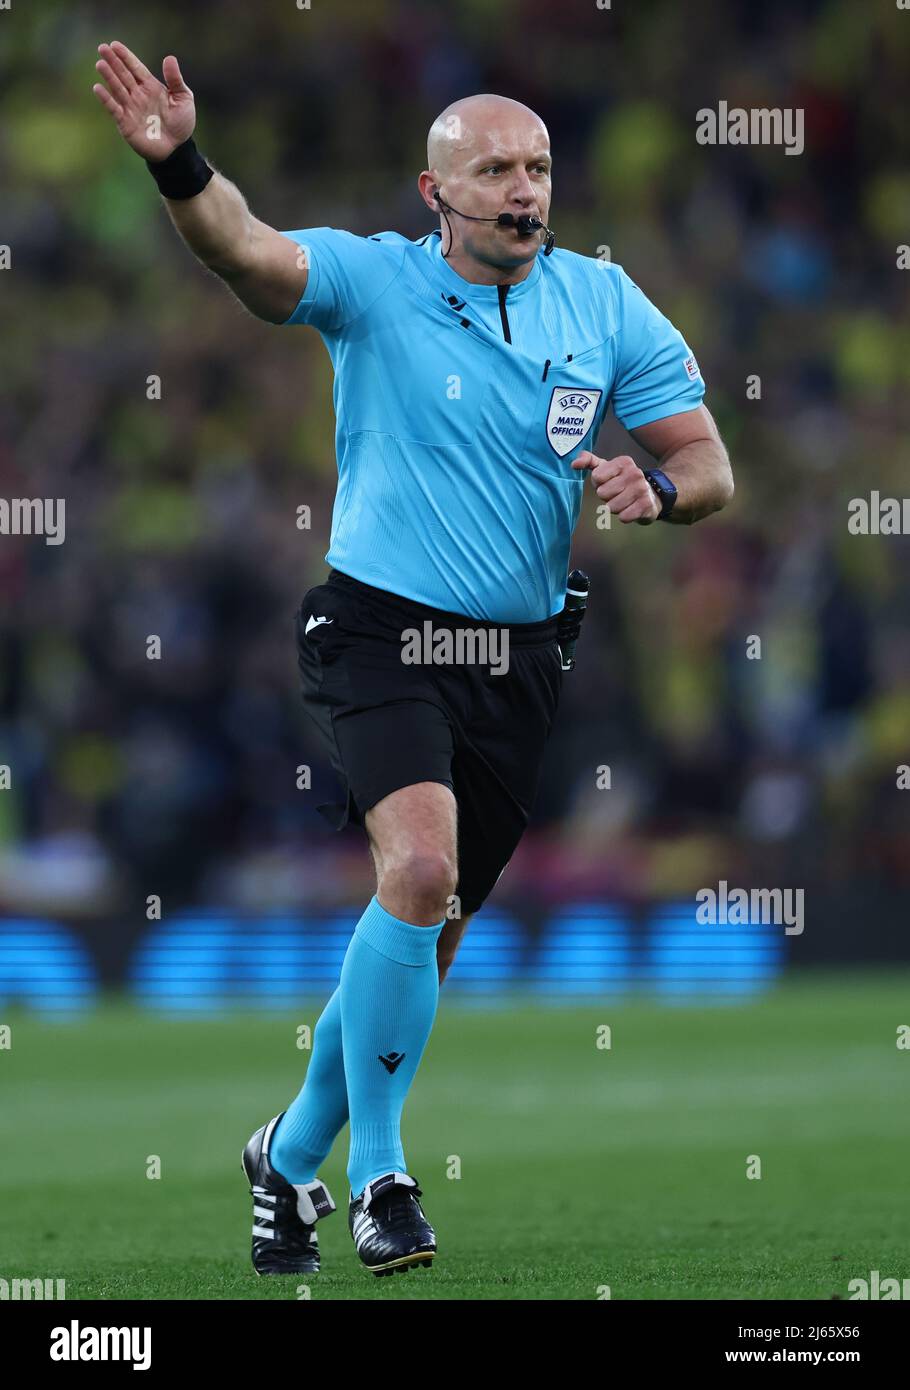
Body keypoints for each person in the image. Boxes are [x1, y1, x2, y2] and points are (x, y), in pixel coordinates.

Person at [93, 39, 734, 1278]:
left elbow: (709, 464)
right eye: (493, 168)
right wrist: (183, 167)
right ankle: (381, 1176)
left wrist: (656, 486)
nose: (522, 188)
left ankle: (286, 1155)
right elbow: (247, 250)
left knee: (425, 929)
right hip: (379, 629)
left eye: (537, 166)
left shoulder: (601, 301)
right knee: (423, 864)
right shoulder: (372, 280)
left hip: (521, 656)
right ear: (433, 191)